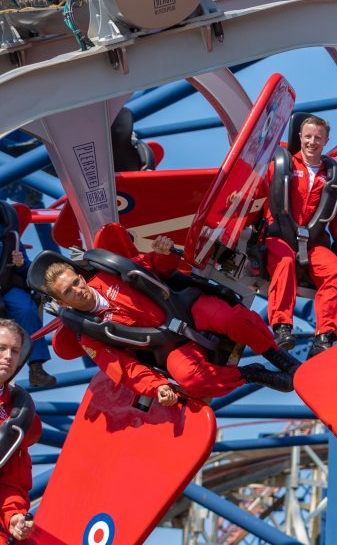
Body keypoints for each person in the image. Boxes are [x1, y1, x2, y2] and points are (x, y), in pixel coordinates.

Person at [40, 229, 299, 399]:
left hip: (188, 309)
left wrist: (163, 254)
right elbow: (124, 369)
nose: (78, 290)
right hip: (169, 345)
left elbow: (154, 269)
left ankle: (276, 355)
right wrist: (156, 387)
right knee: (191, 381)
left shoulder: (109, 273)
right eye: (69, 292)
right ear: (62, 303)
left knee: (232, 319)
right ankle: (253, 373)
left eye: (76, 282)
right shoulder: (89, 333)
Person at [262, 115, 337, 358]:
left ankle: (325, 336)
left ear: (325, 141)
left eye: (317, 138)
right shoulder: (281, 167)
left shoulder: (333, 176)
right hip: (279, 237)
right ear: (300, 138)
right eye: (308, 137)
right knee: (284, 263)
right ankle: (282, 326)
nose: (312, 142)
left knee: (334, 270)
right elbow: (256, 196)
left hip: (312, 242)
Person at [0, 319, 40, 542]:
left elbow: (10, 480)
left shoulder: (18, 414)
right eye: (1, 348)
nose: (8, 356)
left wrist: (14, 515)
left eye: (15, 350)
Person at [2, 248, 56, 387]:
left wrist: (20, 263)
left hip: (7, 285)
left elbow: (27, 269)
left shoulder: (9, 232)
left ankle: (36, 367)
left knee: (27, 310)